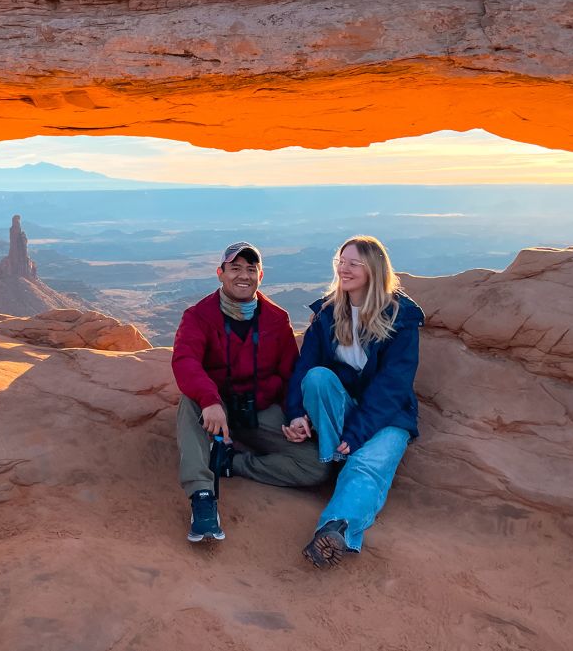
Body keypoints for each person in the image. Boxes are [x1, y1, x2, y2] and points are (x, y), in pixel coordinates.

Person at [172, 241, 330, 543]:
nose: (243, 275)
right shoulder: (198, 316)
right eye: (235, 268)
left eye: (250, 268)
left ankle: (230, 462)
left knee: (316, 466)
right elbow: (185, 361)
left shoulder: (276, 318)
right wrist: (209, 400)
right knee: (189, 402)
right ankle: (202, 495)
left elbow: (290, 374)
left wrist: (296, 415)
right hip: (217, 409)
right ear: (220, 273)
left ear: (261, 275)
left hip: (258, 410)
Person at [282, 235, 424, 567]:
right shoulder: (328, 312)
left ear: (374, 269)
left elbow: (394, 385)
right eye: (340, 262)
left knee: (368, 466)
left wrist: (357, 433)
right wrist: (296, 412)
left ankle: (335, 529)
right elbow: (305, 366)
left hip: (388, 414)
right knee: (317, 377)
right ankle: (336, 459)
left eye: (353, 263)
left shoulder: (400, 317)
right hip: (343, 409)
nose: (344, 269)